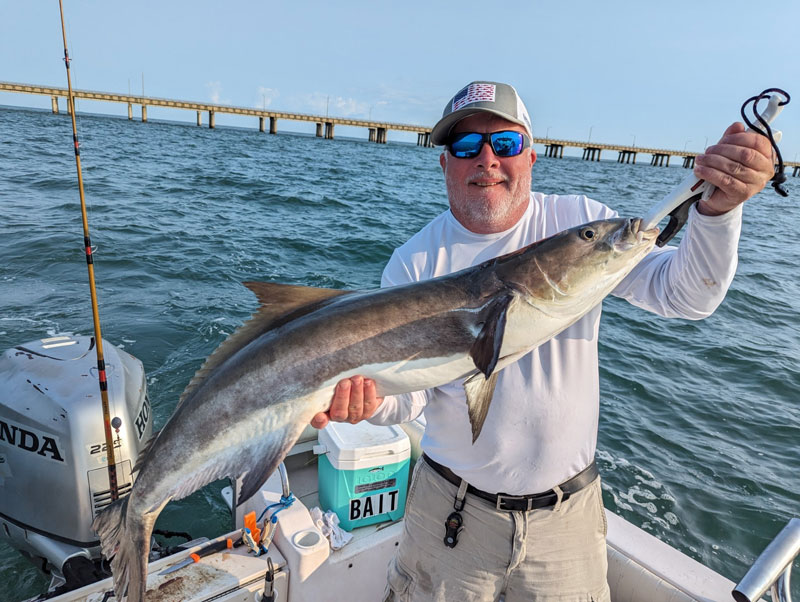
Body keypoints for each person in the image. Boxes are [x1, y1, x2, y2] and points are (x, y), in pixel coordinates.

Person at [310, 81, 776, 602]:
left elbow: (686, 296)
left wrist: (717, 212)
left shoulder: (580, 225)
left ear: (531, 156)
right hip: (449, 514)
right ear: (445, 165)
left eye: (504, 144)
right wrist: (368, 405)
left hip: (566, 521)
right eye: (466, 147)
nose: (486, 159)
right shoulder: (416, 262)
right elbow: (413, 393)